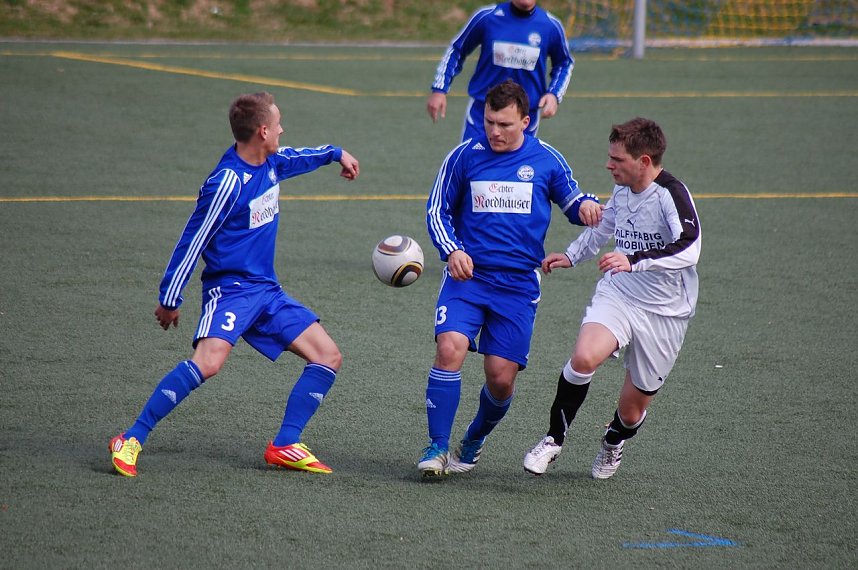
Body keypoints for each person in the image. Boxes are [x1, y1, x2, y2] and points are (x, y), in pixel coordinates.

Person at [109, 91, 360, 477]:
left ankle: (285, 444)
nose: (282, 129)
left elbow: (298, 156)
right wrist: (170, 297)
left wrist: (335, 153)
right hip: (231, 291)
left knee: (328, 356)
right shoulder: (226, 182)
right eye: (277, 124)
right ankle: (131, 437)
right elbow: (193, 240)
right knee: (208, 364)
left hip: (267, 291)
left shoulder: (271, 162)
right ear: (263, 131)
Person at [419, 79, 602, 477]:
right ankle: (436, 447)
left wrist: (587, 205)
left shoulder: (547, 160)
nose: (495, 132)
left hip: (518, 287)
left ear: (525, 120)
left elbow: (573, 200)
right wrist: (452, 250)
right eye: (489, 122)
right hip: (468, 280)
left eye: (504, 124)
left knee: (500, 380)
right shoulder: (464, 156)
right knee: (450, 348)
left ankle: (475, 437)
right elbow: (437, 210)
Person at [523, 117, 701, 479]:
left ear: (644, 162)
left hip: (666, 312)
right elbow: (603, 228)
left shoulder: (671, 194)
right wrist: (572, 255)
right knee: (584, 357)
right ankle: (554, 440)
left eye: (617, 160)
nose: (609, 165)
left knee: (632, 412)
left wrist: (633, 261)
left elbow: (690, 247)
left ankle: (614, 439)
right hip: (620, 294)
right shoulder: (622, 190)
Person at [427, 0, 574, 141]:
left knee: (515, 166)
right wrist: (439, 89)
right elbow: (457, 50)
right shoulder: (487, 17)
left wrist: (554, 94)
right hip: (482, 113)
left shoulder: (550, 26)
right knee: (474, 165)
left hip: (524, 116)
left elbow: (564, 63)